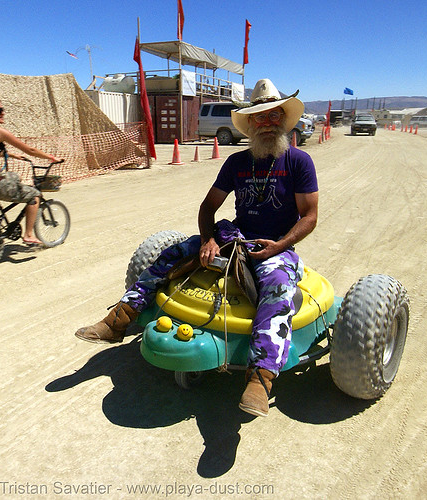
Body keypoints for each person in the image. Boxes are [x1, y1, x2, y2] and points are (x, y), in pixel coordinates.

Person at [75, 78, 319, 417]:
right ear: (250, 124)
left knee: (277, 287)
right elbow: (209, 208)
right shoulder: (235, 163)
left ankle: (260, 378)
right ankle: (119, 320)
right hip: (235, 237)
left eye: (273, 116)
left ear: (283, 119)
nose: (266, 123)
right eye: (259, 117)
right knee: (171, 254)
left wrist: (280, 245)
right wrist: (208, 240)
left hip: (274, 245)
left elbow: (309, 216)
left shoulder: (299, 162)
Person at [0, 96, 64, 245]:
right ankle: (29, 235)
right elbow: (30, 150)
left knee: (13, 176)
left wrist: (12, 155)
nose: (3, 113)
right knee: (34, 196)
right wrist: (51, 157)